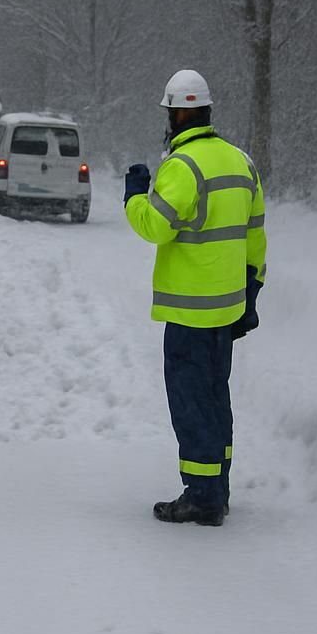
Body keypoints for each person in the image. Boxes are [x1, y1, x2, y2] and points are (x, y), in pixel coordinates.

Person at [123, 69, 266, 526]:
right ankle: (216, 486)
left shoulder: (183, 166)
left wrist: (133, 197)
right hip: (226, 307)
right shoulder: (240, 161)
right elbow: (255, 236)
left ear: (178, 113)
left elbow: (156, 226)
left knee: (190, 399)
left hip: (189, 310)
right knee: (214, 394)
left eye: (169, 113)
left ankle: (202, 498)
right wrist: (252, 292)